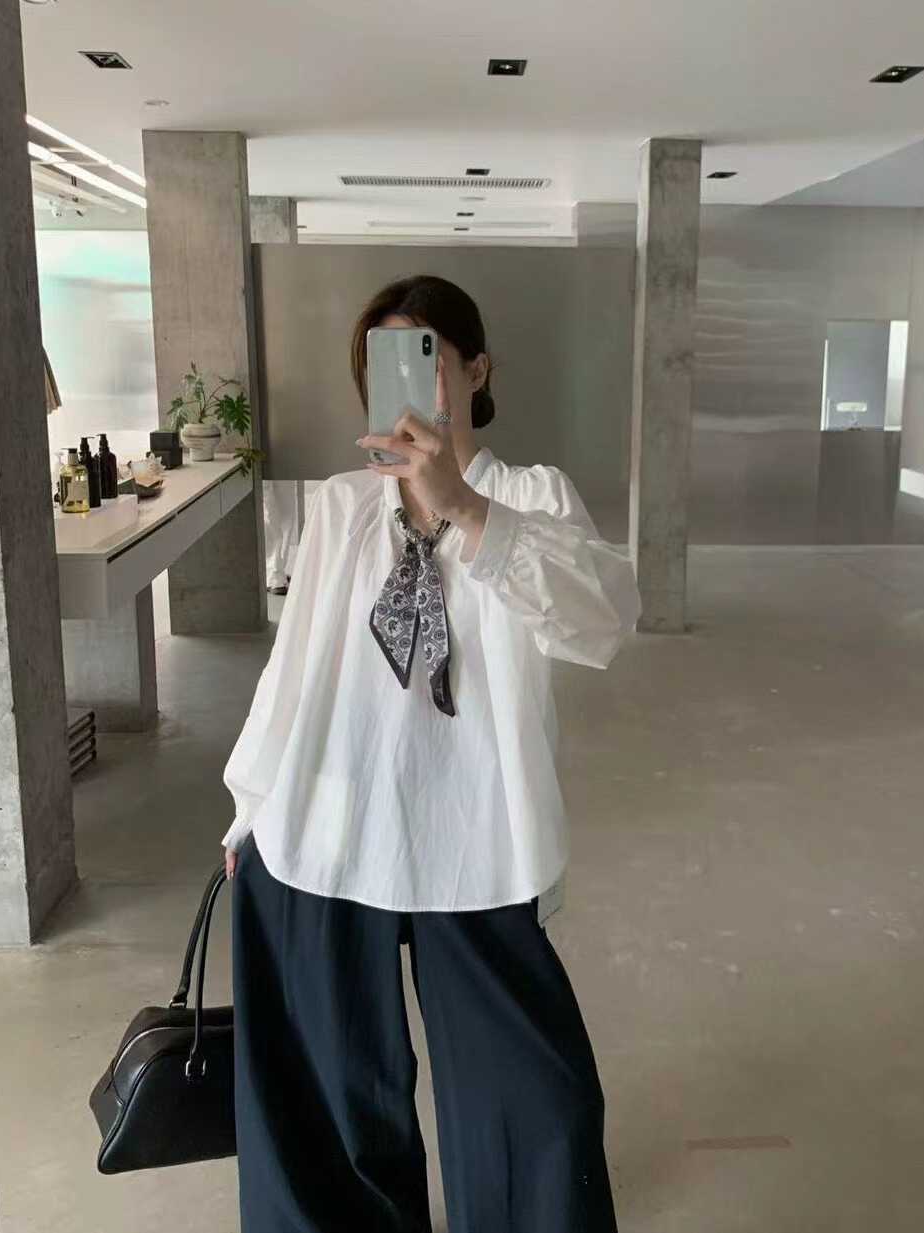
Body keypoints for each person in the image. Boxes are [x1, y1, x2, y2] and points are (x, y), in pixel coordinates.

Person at [221, 274, 642, 1233]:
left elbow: (602, 621)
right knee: (329, 1111)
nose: (410, 383)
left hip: (476, 841)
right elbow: (294, 671)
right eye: (382, 362)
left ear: (477, 369)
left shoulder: (528, 497)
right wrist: (249, 804)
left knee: (537, 1105)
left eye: (428, 358)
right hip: (327, 832)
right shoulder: (340, 506)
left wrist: (463, 506)